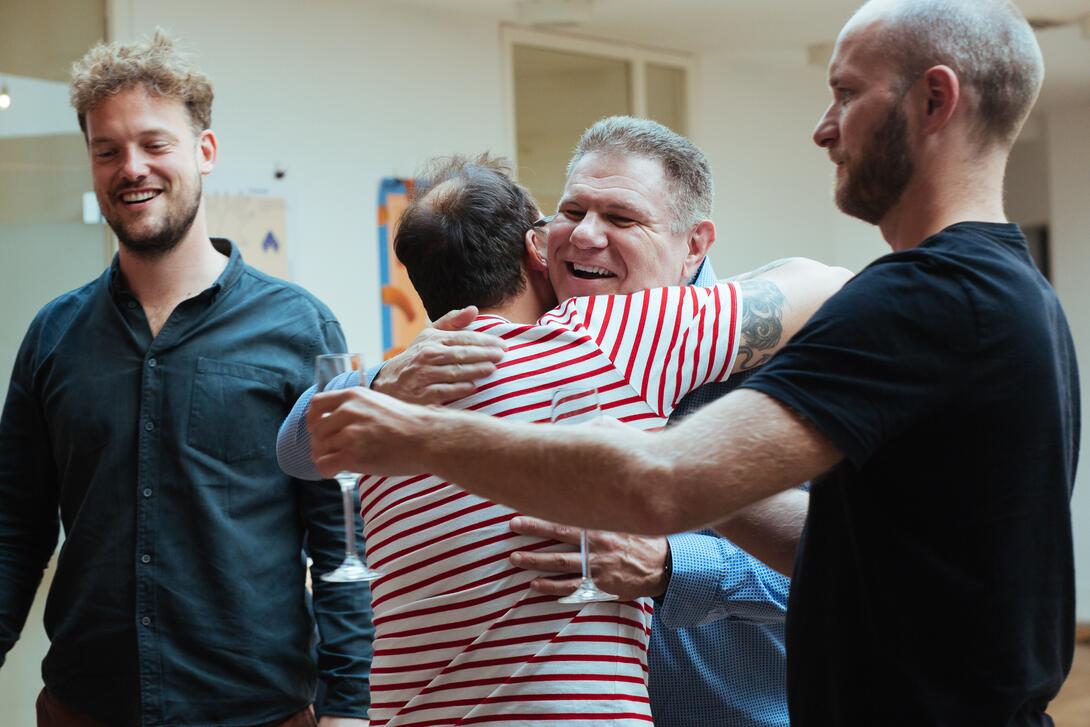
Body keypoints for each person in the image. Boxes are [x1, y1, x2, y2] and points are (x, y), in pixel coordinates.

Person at [306, 0, 1079, 724]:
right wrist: (684, 455)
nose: (823, 128)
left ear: (934, 101)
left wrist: (413, 436)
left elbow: (660, 484)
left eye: (845, 94)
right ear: (537, 242)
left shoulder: (914, 302)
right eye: (570, 211)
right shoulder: (1008, 294)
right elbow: (859, 545)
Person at [280, 150, 846, 725]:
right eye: (571, 214)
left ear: (695, 244)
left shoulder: (381, 428)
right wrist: (384, 380)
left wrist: (675, 565)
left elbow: (854, 565)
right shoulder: (601, 337)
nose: (585, 236)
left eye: (621, 218)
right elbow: (826, 283)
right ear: (538, 247)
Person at [0, 32, 372, 726]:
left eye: (154, 143)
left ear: (204, 150)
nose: (131, 168)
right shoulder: (53, 335)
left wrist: (348, 706)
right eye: (107, 150)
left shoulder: (300, 328)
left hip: (258, 711)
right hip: (84, 709)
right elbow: (14, 527)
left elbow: (340, 531)